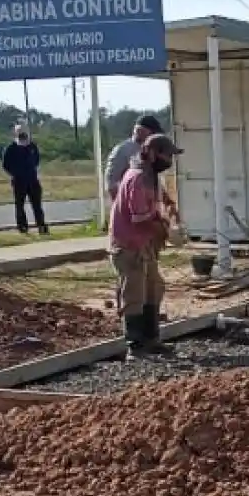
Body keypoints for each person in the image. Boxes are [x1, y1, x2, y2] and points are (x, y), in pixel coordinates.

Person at [109, 134, 183, 360]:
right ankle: (135, 345)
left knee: (154, 288)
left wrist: (171, 208)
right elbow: (139, 218)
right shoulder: (137, 178)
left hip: (145, 245)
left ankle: (152, 340)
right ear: (151, 154)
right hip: (129, 245)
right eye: (166, 154)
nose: (169, 159)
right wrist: (166, 230)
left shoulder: (151, 176)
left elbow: (162, 198)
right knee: (134, 294)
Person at [104, 114, 178, 220]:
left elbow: (153, 179)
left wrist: (167, 202)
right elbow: (112, 184)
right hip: (132, 213)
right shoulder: (122, 151)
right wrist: (123, 211)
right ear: (140, 131)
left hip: (148, 208)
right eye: (153, 133)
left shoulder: (151, 149)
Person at [1, 125, 48, 235]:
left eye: (24, 133)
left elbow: (37, 160)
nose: (23, 135)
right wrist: (15, 173)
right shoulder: (11, 148)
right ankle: (22, 227)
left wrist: (30, 171)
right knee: (20, 206)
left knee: (37, 205)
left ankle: (41, 226)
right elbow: (5, 164)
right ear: (16, 134)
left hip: (33, 180)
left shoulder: (32, 146)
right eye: (20, 133)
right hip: (19, 181)